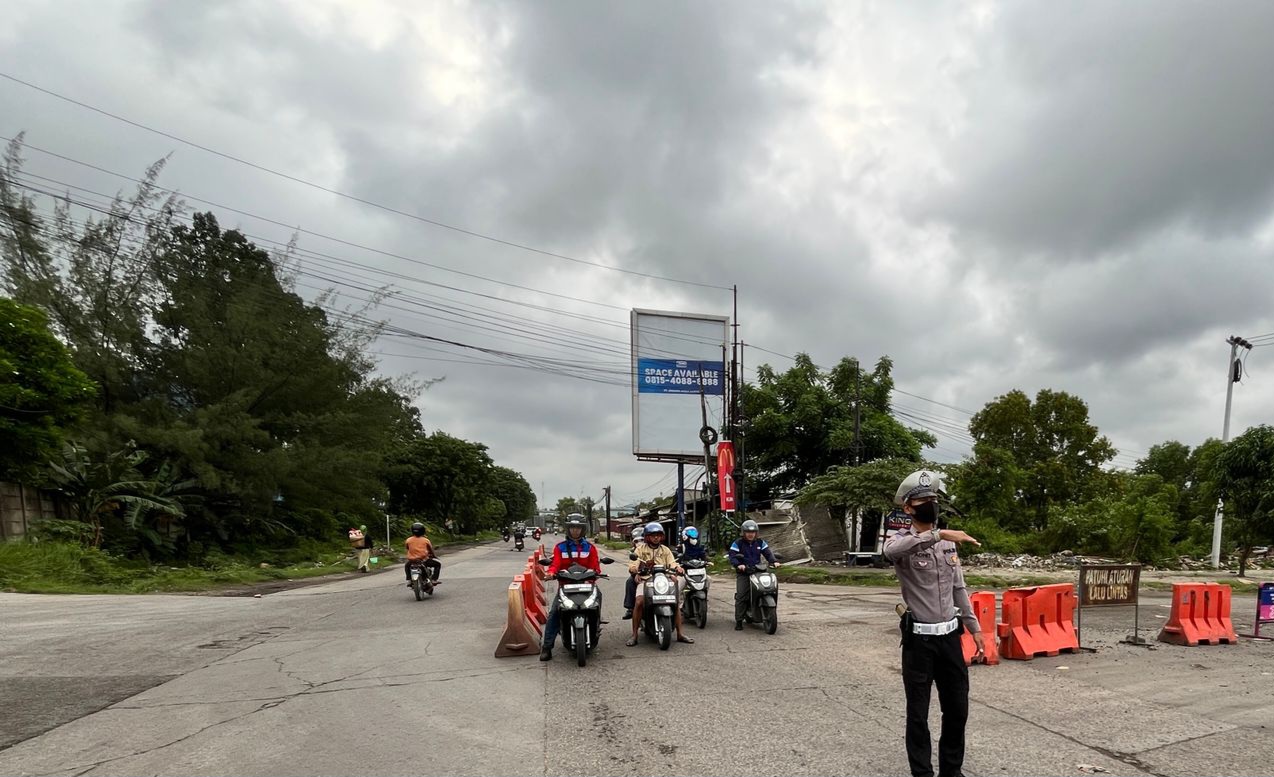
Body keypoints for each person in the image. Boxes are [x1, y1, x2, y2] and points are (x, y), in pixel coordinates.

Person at [884, 470, 983, 777]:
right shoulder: (901, 541)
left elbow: (958, 587)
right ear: (908, 508)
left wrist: (975, 628)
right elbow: (891, 552)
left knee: (957, 709)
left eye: (933, 499)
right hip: (920, 643)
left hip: (950, 638)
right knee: (918, 714)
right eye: (923, 500)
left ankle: (952, 771)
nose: (931, 504)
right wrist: (938, 535)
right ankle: (922, 773)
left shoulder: (948, 545)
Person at [538, 516, 602, 661]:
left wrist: (596, 573)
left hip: (586, 585)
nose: (575, 531)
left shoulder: (590, 548)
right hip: (566, 586)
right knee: (554, 613)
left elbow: (595, 567)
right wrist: (551, 573)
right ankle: (547, 647)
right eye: (573, 528)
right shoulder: (560, 547)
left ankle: (596, 625)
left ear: (583, 529)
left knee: (598, 598)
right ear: (568, 529)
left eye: (578, 528)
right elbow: (555, 564)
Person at [627, 522, 694, 647]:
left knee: (674, 601)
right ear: (647, 536)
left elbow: (672, 563)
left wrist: (678, 568)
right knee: (639, 601)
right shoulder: (640, 549)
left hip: (663, 580)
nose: (656, 537)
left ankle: (680, 634)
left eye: (658, 535)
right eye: (653, 535)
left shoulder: (665, 550)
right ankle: (634, 635)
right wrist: (634, 569)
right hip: (646, 580)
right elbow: (633, 564)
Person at [728, 520, 780, 630]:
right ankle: (739, 620)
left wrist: (774, 561)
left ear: (756, 533)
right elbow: (732, 556)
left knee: (767, 589)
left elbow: (768, 553)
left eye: (753, 532)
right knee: (742, 595)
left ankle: (763, 611)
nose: (750, 534)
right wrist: (739, 565)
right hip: (744, 573)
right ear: (743, 532)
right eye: (748, 532)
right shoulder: (738, 543)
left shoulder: (760, 542)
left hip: (758, 571)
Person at [620, 525, 645, 619]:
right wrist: (635, 572)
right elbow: (632, 565)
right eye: (636, 541)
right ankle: (630, 608)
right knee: (630, 581)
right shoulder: (633, 552)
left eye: (642, 540)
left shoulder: (653, 548)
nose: (639, 543)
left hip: (655, 574)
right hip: (640, 574)